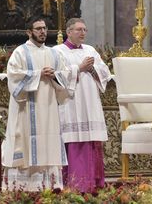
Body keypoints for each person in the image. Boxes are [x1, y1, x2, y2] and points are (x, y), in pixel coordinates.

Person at [2, 17, 74, 191]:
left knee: (48, 141)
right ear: (29, 32)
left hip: (49, 107)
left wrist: (55, 75)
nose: (43, 31)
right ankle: (23, 188)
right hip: (26, 108)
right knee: (26, 143)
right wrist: (37, 74)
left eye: (44, 28)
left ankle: (50, 187)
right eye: (38, 28)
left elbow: (67, 75)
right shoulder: (20, 52)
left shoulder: (54, 53)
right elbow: (13, 77)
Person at [54, 18, 111, 192]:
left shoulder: (90, 50)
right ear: (68, 32)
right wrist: (79, 68)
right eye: (79, 30)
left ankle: (93, 183)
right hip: (70, 103)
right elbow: (58, 76)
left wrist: (92, 69)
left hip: (90, 101)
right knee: (73, 140)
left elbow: (105, 72)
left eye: (85, 30)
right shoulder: (57, 51)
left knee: (90, 139)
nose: (83, 33)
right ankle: (73, 184)